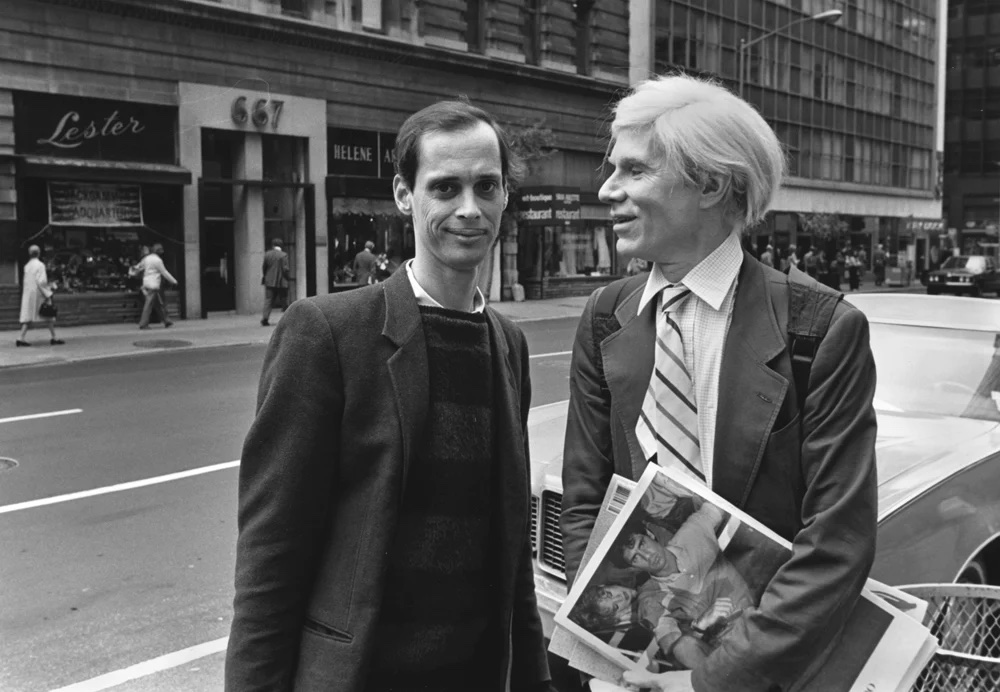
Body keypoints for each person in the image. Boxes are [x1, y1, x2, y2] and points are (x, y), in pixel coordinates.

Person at [560, 74, 878, 692]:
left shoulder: (822, 330)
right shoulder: (606, 315)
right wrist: (619, 646)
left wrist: (714, 680)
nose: (607, 189)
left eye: (634, 171)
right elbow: (587, 503)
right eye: (611, 169)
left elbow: (836, 542)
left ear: (709, 183)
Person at [225, 100, 550, 692]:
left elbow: (510, 557)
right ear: (405, 195)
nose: (469, 209)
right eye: (445, 187)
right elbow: (271, 556)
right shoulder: (327, 332)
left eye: (487, 187)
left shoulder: (508, 343)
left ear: (505, 196)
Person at [608, 504, 754, 669]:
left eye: (642, 544)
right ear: (633, 568)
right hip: (725, 652)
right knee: (683, 646)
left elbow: (719, 503)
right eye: (636, 558)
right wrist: (700, 625)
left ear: (649, 534)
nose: (647, 556)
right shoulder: (650, 599)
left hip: (756, 619)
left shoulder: (691, 534)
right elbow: (673, 646)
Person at [17, 245, 63, 347]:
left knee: (28, 316)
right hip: (38, 294)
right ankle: (54, 337)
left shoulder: (27, 266)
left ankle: (21, 338)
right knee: (48, 315)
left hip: (28, 293)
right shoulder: (40, 265)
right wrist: (48, 293)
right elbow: (42, 281)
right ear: (39, 253)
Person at [132, 243, 177, 329]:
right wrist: (174, 281)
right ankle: (143, 324)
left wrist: (131, 271)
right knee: (149, 304)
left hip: (146, 283)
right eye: (161, 251)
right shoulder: (158, 260)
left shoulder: (146, 259)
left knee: (157, 303)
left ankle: (166, 320)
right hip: (154, 284)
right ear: (159, 252)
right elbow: (164, 272)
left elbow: (138, 268)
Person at [260, 237, 291, 326]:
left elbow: (264, 268)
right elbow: (285, 269)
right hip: (281, 281)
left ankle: (265, 318)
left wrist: (266, 277)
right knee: (284, 300)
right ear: (281, 245)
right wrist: (287, 278)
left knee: (268, 300)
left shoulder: (267, 254)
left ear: (273, 245)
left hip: (269, 281)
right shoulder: (284, 255)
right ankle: (288, 319)